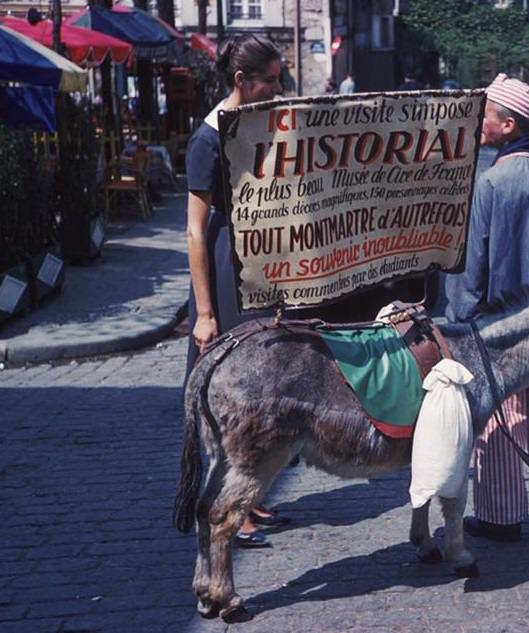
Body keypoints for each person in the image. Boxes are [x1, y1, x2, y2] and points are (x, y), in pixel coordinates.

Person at [444, 73, 529, 543]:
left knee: (503, 420)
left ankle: (502, 516)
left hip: (504, 323)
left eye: (486, 116)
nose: (480, 123)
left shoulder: (494, 181)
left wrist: (460, 319)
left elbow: (472, 261)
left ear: (508, 125)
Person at [185, 34, 292, 549]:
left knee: (263, 381)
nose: (277, 88)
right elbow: (193, 232)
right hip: (228, 268)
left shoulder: (253, 123)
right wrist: (205, 312)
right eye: (269, 80)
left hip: (256, 264)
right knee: (235, 393)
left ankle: (252, 492)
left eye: (278, 78)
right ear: (240, 81)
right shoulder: (207, 138)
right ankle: (231, 502)